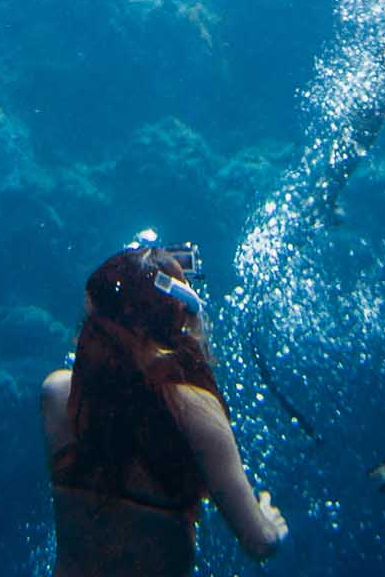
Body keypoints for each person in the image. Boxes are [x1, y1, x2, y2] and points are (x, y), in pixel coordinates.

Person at [41, 241, 287, 576]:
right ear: (178, 318)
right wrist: (269, 524)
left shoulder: (58, 394)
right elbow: (257, 543)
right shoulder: (194, 410)